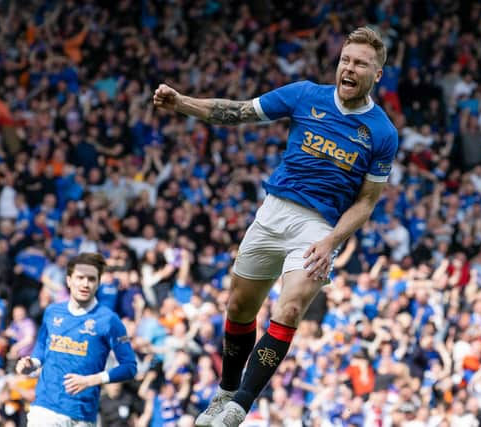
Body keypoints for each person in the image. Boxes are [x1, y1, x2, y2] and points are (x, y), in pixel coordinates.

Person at [153, 27, 397, 427]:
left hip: (318, 228)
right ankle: (226, 391)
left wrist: (331, 241)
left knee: (291, 305)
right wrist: (182, 103)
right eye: (345, 60)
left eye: (361, 64)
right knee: (239, 307)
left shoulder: (382, 132)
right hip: (273, 212)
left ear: (377, 74)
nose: (349, 68)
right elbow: (238, 112)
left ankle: (240, 404)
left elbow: (366, 203)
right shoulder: (305, 95)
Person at [16, 252, 137, 426]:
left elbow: (130, 367)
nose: (85, 284)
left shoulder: (109, 320)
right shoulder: (52, 312)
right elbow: (41, 349)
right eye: (80, 278)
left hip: (82, 416)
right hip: (45, 411)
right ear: (69, 280)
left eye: (91, 279)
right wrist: (31, 364)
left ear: (98, 283)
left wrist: (91, 380)